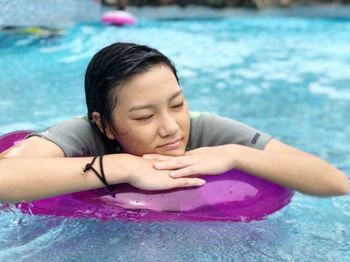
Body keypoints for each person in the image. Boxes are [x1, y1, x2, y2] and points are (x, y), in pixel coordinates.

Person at [0, 42, 348, 204]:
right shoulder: (81, 134)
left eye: (177, 104)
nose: (171, 127)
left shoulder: (205, 129)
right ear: (104, 124)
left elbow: (335, 182)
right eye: (144, 116)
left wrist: (237, 155)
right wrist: (122, 165)